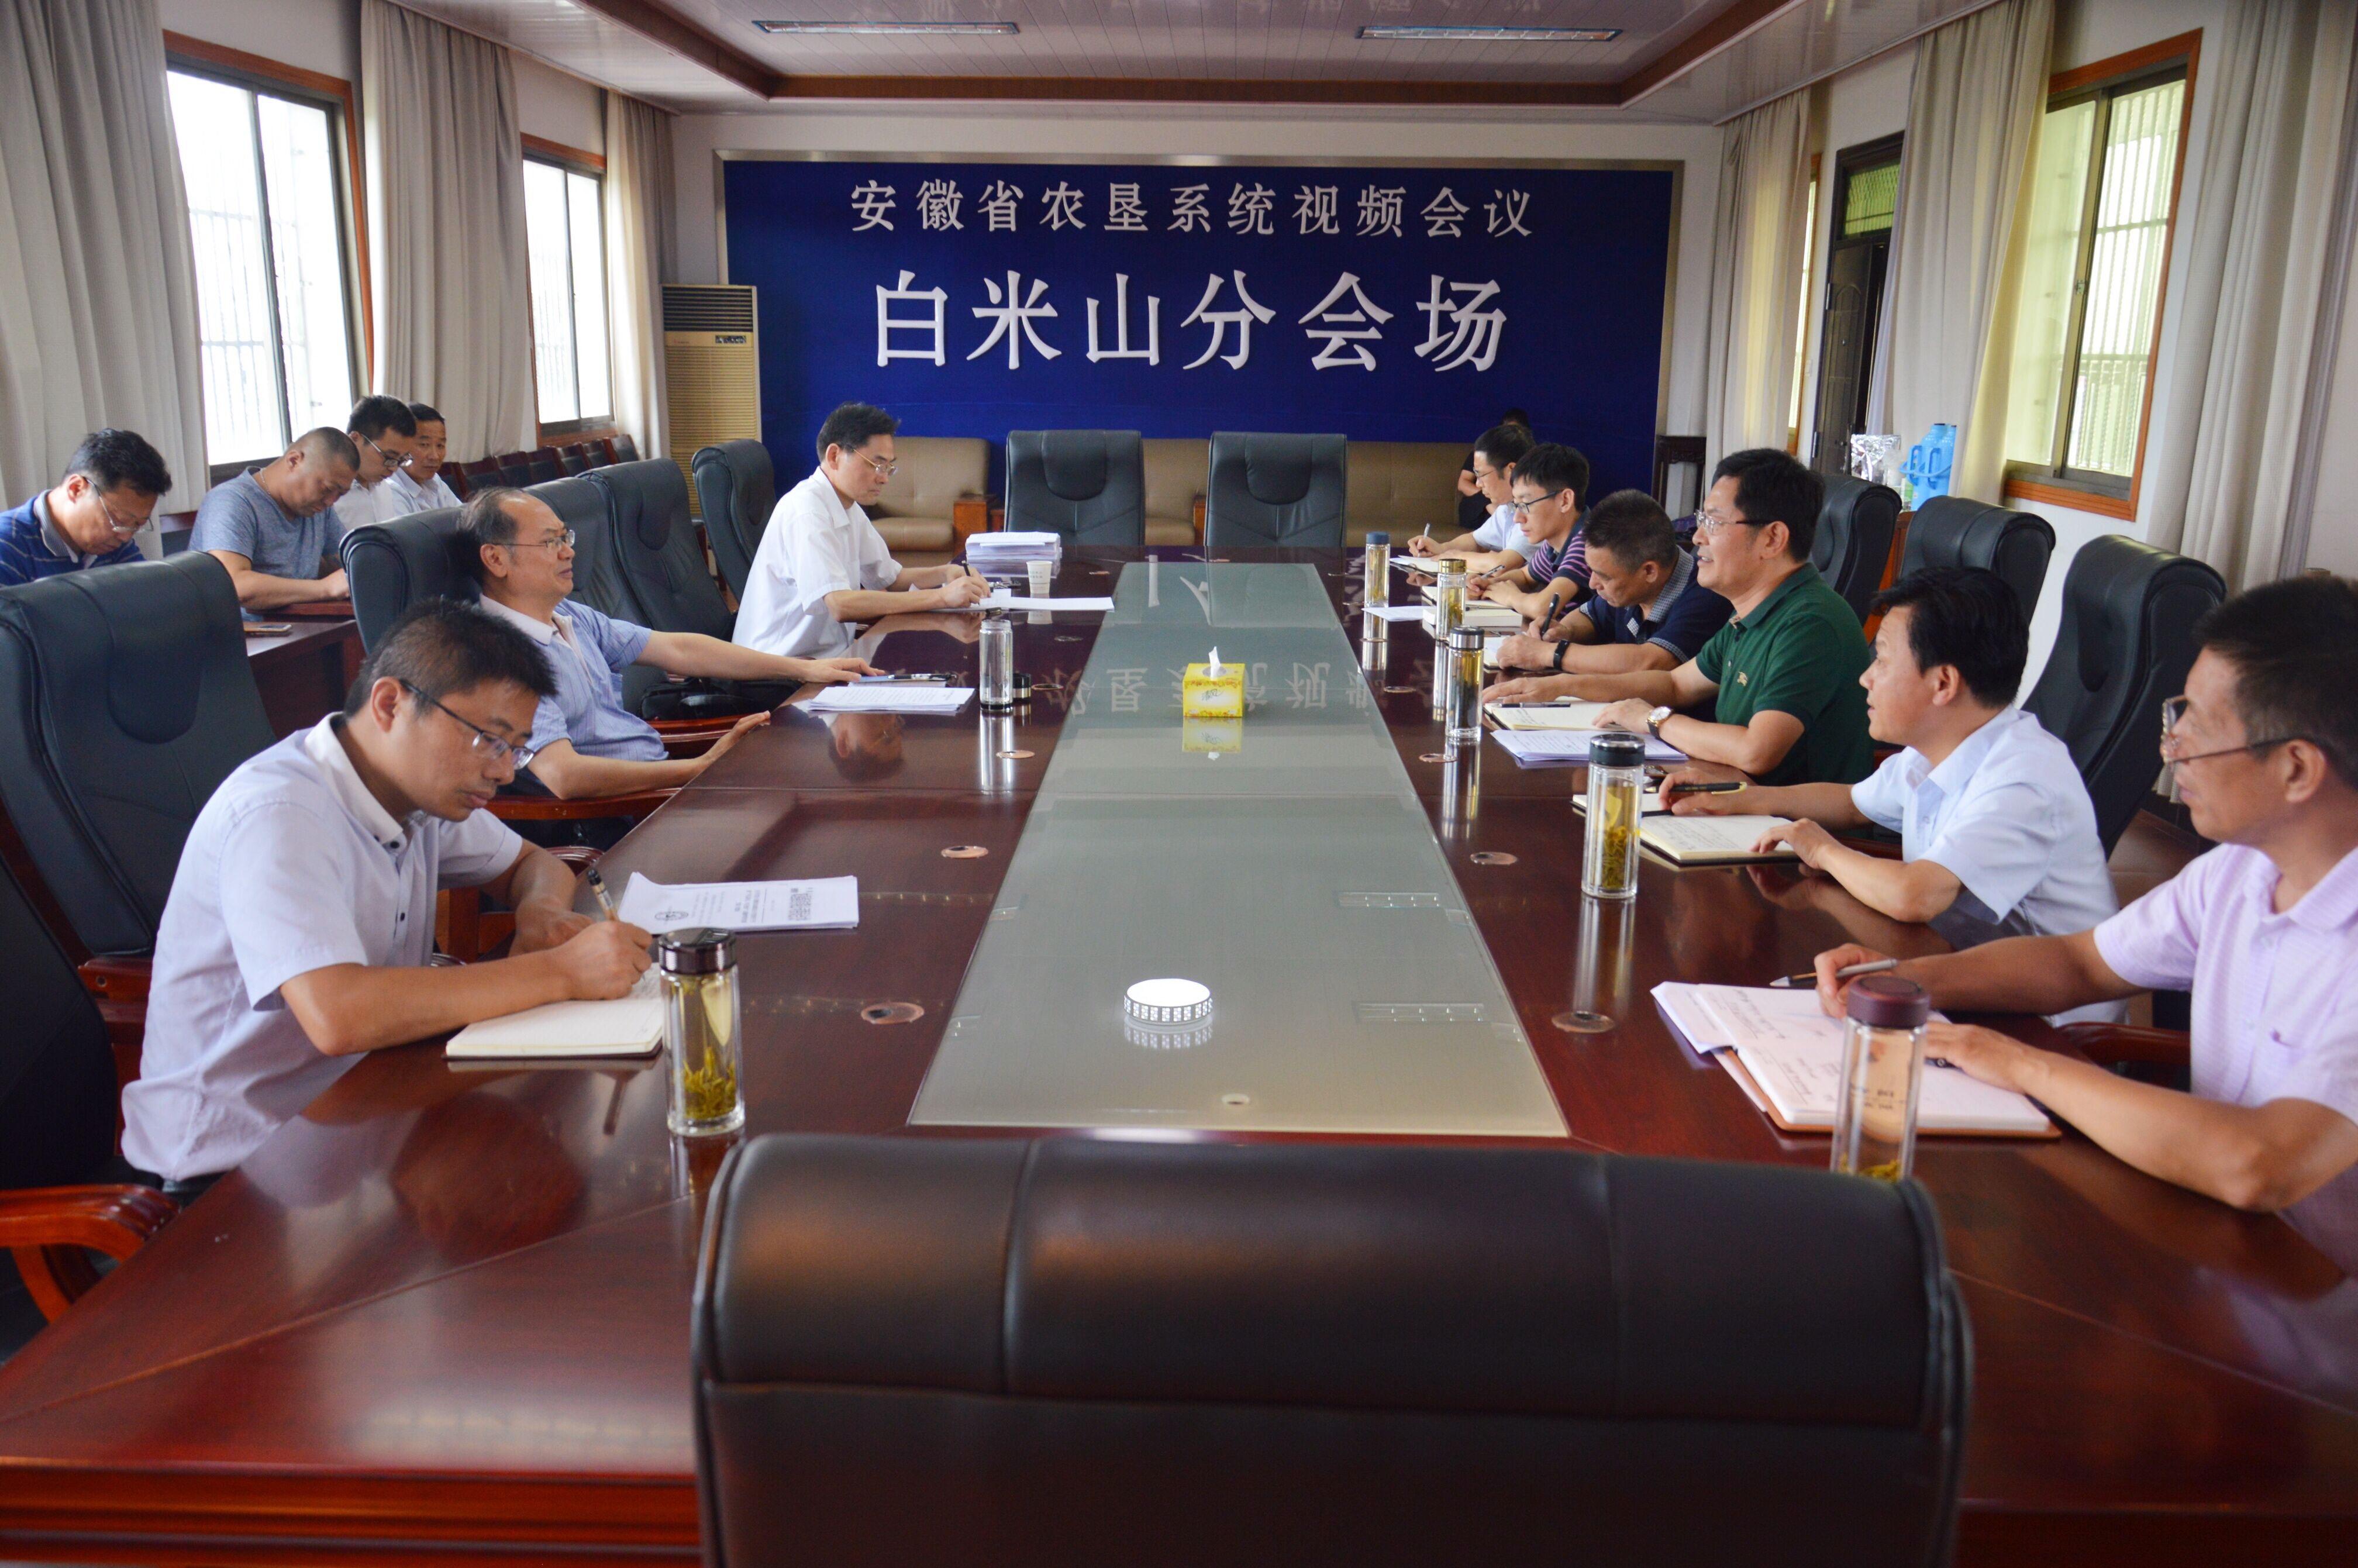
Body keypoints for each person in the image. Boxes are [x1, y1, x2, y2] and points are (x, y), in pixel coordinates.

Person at [1809, 575, 2358, 1214]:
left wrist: (2021, 1063)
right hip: (2198, 1210)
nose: (2171, 746)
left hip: (2304, 1266)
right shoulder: (2237, 871)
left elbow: (2261, 1164)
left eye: (2200, 727)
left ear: (2296, 768)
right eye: (2177, 713)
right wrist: (1898, 980)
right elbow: (2080, 961)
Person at [119, 599, 657, 1190]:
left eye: (517, 747)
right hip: (231, 1166)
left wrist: (541, 913)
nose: (506, 771)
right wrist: (561, 971)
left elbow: (533, 863)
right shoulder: (279, 816)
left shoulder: (413, 788)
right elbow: (340, 1015)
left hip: (362, 1113)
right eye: (489, 740)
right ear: (390, 704)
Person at [1670, 567, 2114, 959]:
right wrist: (1738, 799)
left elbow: (1915, 896)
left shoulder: (2023, 780)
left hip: (2043, 1016)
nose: (1866, 677)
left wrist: (1823, 850)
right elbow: (1852, 803)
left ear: (1943, 684)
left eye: (1882, 659)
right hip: (1954, 959)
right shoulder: (1937, 746)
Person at [1484, 447, 1873, 788]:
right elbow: (1674, 684)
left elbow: (1757, 752)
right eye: (1702, 519)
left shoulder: (1808, 622)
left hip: (1788, 833)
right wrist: (1560, 686)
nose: (1698, 536)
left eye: (1715, 522)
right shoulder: (1750, 614)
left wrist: (1655, 720)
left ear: (1772, 538)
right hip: (1732, 802)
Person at [463, 487, 878, 799]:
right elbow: (564, 776)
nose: (568, 552)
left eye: (565, 537)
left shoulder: (569, 615)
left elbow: (680, 650)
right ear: (496, 559)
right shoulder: (504, 658)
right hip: (627, 809)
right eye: (550, 542)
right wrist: (699, 767)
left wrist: (806, 669)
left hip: (662, 778)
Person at [732, 402, 990, 659]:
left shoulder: (847, 506)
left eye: (888, 467)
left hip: (825, 658)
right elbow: (841, 604)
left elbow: (890, 579)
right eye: (876, 465)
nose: (884, 478)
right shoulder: (807, 511)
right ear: (834, 456)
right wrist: (942, 597)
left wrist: (946, 572)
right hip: (776, 665)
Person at [1491, 490, 1732, 677]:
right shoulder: (1630, 587)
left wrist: (1550, 654)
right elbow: (1590, 616)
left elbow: (1651, 662)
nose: (1593, 583)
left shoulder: (1705, 595)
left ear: (1649, 571)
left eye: (1603, 576)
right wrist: (1564, 631)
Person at [192, 426, 358, 614]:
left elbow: (348, 565)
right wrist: (325, 589)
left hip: (307, 623)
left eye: (341, 494)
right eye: (327, 489)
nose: (330, 501)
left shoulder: (318, 508)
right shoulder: (232, 501)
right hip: (246, 630)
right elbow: (235, 585)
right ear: (294, 461)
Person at [0, 428, 172, 587]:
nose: (126, 537)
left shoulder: (114, 542)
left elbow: (149, 595)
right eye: (119, 521)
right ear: (76, 489)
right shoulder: (8, 546)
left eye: (137, 525)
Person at [1464, 442, 1594, 622]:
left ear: (1565, 501)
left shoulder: (1588, 543)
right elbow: (1526, 576)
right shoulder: (1554, 542)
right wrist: (1490, 584)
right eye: (1516, 506)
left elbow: (1543, 608)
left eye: (1525, 505)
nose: (1518, 518)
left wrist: (1511, 597)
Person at [1412, 421, 1535, 567]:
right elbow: (1477, 541)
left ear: (1511, 470)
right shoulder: (1508, 508)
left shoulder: (1535, 508)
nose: (1478, 484)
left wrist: (1457, 557)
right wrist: (1441, 549)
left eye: (1481, 475)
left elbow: (1502, 564)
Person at [332, 396, 422, 534]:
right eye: (389, 457)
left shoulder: (386, 489)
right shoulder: (327, 497)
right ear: (355, 439)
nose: (394, 468)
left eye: (402, 459)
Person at [1454, 407, 1531, 533]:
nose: (1512, 438)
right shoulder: (1484, 454)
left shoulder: (1530, 459)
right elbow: (1463, 483)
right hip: (1481, 500)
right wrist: (1489, 498)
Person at [387, 402, 462, 515]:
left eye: (440, 446)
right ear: (399, 445)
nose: (435, 456)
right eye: (424, 445)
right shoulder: (390, 490)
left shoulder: (434, 481)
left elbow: (465, 519)